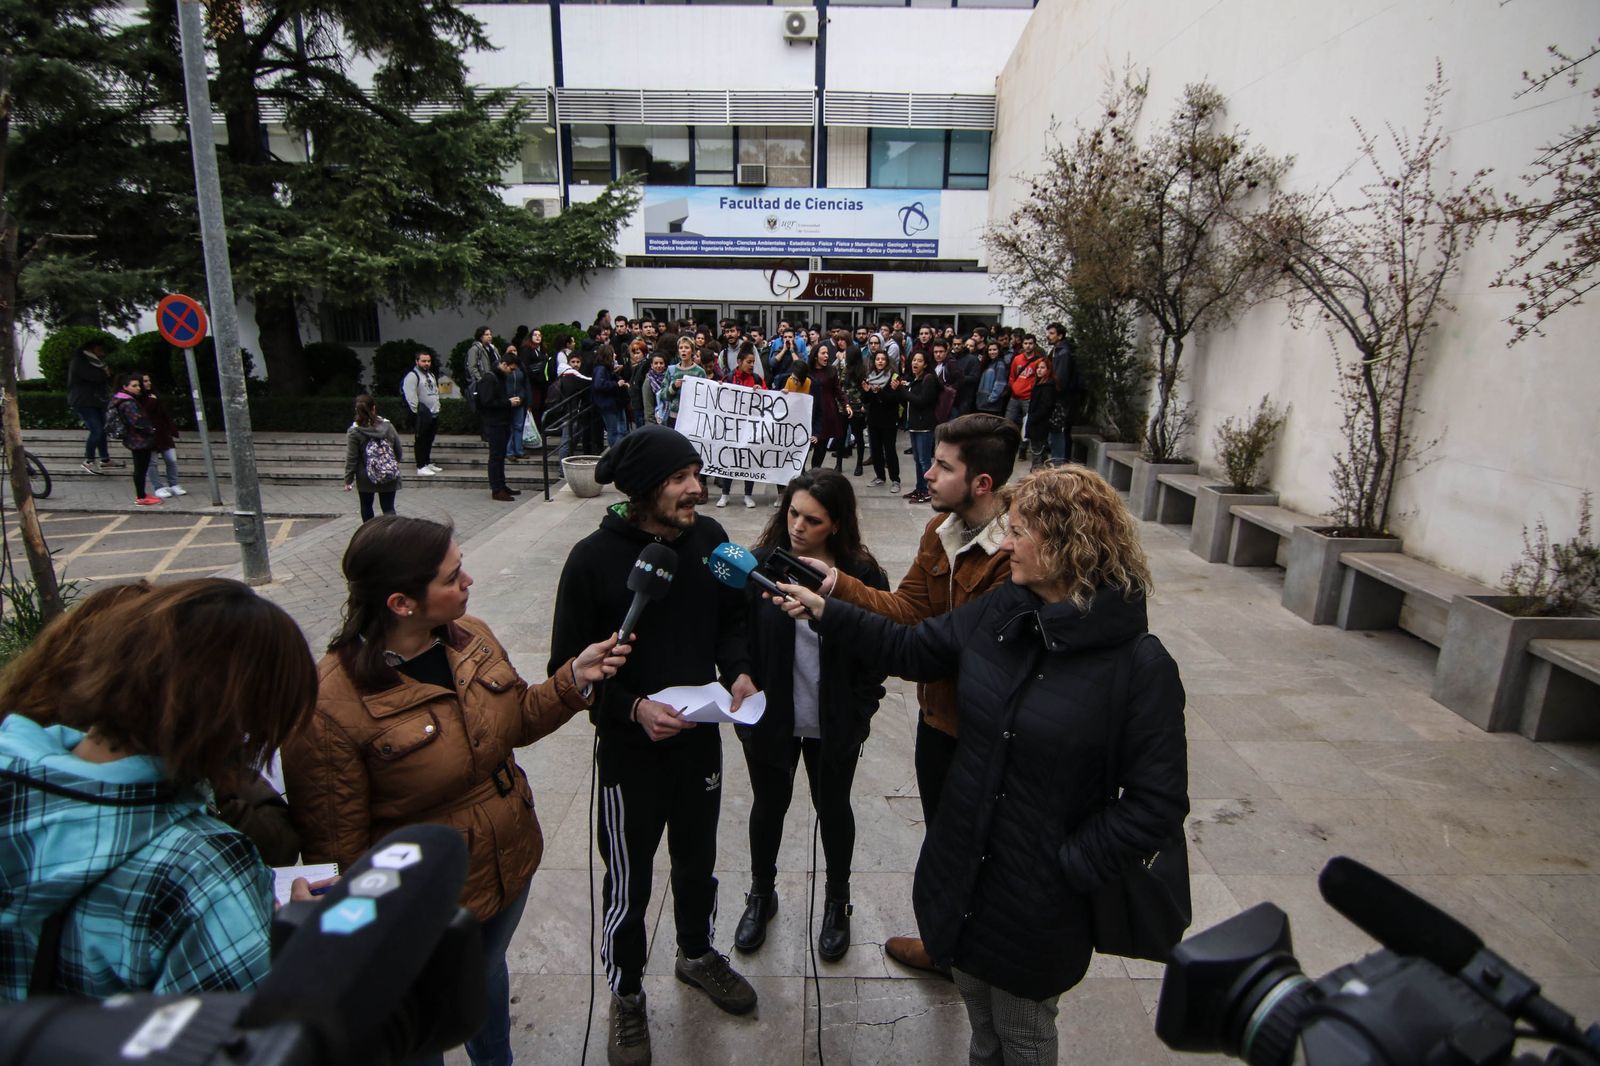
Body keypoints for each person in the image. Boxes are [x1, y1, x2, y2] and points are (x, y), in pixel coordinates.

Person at [771, 465, 1188, 1066]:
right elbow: (912, 648)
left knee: (1023, 1036)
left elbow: (1156, 805)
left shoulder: (1141, 667)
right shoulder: (1004, 610)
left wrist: (1065, 867)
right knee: (980, 1026)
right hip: (962, 871)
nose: (1006, 544)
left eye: (1018, 532)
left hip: (1039, 901)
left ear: (1070, 543)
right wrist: (825, 609)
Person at [284, 516, 630, 1066]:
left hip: (508, 863)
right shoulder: (330, 703)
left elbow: (514, 723)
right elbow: (335, 845)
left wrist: (573, 678)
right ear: (401, 603)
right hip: (419, 902)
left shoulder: (474, 638)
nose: (468, 581)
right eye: (452, 576)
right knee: (419, 1017)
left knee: (486, 971)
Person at [547, 426, 760, 1066]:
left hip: (700, 742)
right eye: (679, 479)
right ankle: (628, 991)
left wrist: (740, 669)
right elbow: (568, 669)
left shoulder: (712, 541)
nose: (697, 488)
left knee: (697, 863)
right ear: (643, 490)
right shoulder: (590, 559)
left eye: (696, 472)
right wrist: (633, 708)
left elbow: (734, 620)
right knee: (629, 882)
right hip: (628, 753)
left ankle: (696, 953)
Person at [0, 578, 318, 999]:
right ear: (233, 722)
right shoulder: (201, 869)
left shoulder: (15, 773)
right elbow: (243, 1039)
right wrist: (299, 941)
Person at [791, 413, 1019, 979]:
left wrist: (836, 613)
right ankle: (945, 944)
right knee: (942, 836)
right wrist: (836, 586)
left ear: (982, 483)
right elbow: (910, 611)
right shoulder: (939, 530)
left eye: (943, 466)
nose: (929, 472)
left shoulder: (1013, 554)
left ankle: (975, 953)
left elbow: (936, 647)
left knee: (983, 846)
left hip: (988, 730)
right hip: (936, 719)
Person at [733, 471, 888, 961]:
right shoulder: (759, 565)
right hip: (772, 716)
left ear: (836, 525)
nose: (798, 526)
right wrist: (739, 675)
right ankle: (761, 893)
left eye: (812, 520)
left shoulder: (861, 574)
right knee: (768, 806)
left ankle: (837, 902)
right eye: (792, 513)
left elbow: (879, 645)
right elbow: (735, 632)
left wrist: (861, 707)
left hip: (834, 720)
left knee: (834, 809)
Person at [343, 394, 403, 522]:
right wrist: (391, 464)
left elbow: (352, 458)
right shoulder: (388, 426)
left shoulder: (354, 432)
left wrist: (348, 480)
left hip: (366, 476)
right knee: (389, 509)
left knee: (366, 507)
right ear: (374, 408)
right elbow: (398, 450)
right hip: (388, 473)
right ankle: (391, 536)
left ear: (356, 410)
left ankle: (370, 536)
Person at [715, 345, 761, 509]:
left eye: (753, 362)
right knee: (729, 459)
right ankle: (725, 494)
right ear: (739, 362)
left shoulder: (756, 378)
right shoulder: (728, 378)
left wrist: (760, 391)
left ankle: (748, 495)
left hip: (750, 427)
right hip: (732, 427)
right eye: (749, 362)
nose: (751, 365)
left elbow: (768, 397)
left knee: (749, 460)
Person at [109, 374, 161, 506]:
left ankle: (142, 494)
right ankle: (141, 497)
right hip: (139, 440)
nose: (138, 388)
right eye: (134, 386)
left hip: (134, 439)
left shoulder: (122, 400)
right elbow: (137, 421)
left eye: (138, 385)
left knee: (141, 468)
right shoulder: (127, 403)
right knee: (140, 469)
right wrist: (151, 430)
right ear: (125, 387)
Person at [477, 353, 522, 502]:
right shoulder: (490, 378)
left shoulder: (500, 377)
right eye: (511, 369)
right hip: (494, 423)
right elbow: (487, 402)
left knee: (500, 456)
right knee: (496, 456)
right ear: (504, 364)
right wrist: (508, 403)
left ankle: (501, 486)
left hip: (501, 422)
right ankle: (497, 489)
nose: (512, 372)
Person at [67, 338, 114, 475]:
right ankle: (88, 460)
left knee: (102, 429)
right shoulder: (80, 361)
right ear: (91, 348)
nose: (102, 352)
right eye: (100, 348)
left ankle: (105, 459)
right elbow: (95, 377)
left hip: (96, 400)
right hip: (83, 401)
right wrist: (105, 373)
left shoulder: (96, 362)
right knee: (96, 430)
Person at [862, 350, 906, 494]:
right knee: (875, 450)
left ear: (887, 362)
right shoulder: (869, 377)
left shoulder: (893, 377)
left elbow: (893, 399)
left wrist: (879, 392)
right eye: (877, 359)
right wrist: (867, 391)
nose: (880, 361)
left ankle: (895, 479)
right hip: (873, 418)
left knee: (890, 450)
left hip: (888, 419)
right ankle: (880, 476)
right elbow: (866, 400)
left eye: (883, 359)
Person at [138, 374, 185, 499]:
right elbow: (144, 413)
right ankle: (158, 487)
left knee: (171, 459)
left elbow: (164, 414)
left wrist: (172, 429)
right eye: (145, 381)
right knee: (152, 463)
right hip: (149, 434)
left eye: (149, 381)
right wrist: (153, 401)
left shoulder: (155, 395)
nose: (148, 383)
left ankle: (174, 484)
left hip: (162, 433)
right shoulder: (140, 399)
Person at [903, 352, 942, 503]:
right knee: (917, 459)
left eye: (920, 361)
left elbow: (921, 401)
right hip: (914, 425)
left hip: (925, 425)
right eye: (914, 360)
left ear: (925, 364)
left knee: (924, 460)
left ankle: (927, 490)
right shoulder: (916, 379)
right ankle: (919, 488)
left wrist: (903, 391)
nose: (915, 363)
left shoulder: (929, 379)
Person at [808, 345, 850, 471]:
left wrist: (846, 404)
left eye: (827, 353)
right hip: (810, 412)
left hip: (827, 413)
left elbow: (838, 391)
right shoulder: (807, 371)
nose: (826, 356)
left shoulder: (831, 370)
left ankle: (815, 471)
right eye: (823, 353)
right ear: (816, 356)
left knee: (821, 447)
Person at [403, 349, 443, 476]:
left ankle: (427, 461)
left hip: (433, 413)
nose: (426, 363)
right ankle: (421, 465)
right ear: (417, 361)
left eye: (428, 361)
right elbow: (411, 396)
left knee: (429, 439)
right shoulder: (412, 376)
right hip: (422, 414)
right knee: (421, 440)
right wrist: (416, 413)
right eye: (423, 361)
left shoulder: (430, 374)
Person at [663, 335, 706, 428]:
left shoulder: (699, 371)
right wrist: (674, 387)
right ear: (678, 352)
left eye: (686, 347)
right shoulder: (671, 370)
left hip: (692, 416)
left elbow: (705, 395)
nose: (683, 350)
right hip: (674, 416)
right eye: (681, 348)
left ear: (692, 351)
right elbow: (664, 395)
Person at [592, 344, 630, 446]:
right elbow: (599, 384)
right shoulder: (601, 369)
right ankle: (616, 451)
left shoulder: (606, 368)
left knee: (620, 430)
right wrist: (616, 384)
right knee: (614, 431)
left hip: (613, 403)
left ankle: (619, 449)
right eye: (613, 353)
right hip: (607, 404)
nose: (615, 355)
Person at [504, 345, 533, 464]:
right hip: (507, 402)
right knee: (509, 427)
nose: (513, 353)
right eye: (510, 351)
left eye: (515, 350)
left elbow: (525, 384)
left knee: (518, 426)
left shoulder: (521, 367)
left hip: (520, 401)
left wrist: (524, 398)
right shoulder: (503, 368)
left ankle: (519, 450)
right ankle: (509, 452)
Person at [642, 352, 669, 425]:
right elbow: (648, 406)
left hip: (668, 419)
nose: (659, 365)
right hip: (655, 421)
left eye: (661, 363)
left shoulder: (668, 378)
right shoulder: (649, 381)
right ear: (652, 365)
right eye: (656, 363)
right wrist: (652, 424)